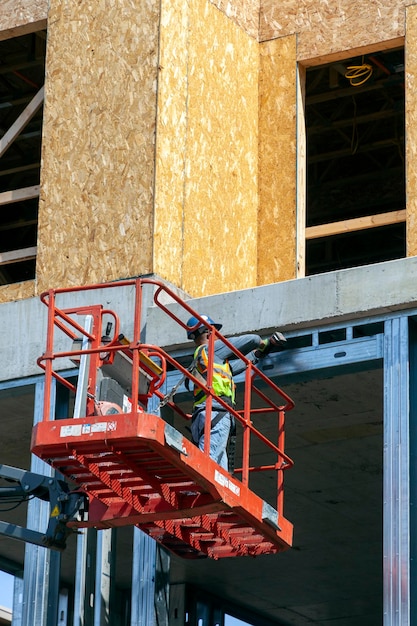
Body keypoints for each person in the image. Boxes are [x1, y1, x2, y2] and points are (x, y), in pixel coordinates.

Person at [186, 314, 286, 471]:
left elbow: (243, 364)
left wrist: (263, 351)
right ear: (208, 332)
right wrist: (263, 342)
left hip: (206, 414)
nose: (219, 336)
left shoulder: (210, 359)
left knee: (220, 470)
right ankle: (195, 489)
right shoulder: (210, 350)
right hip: (215, 411)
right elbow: (252, 339)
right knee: (208, 462)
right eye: (216, 331)